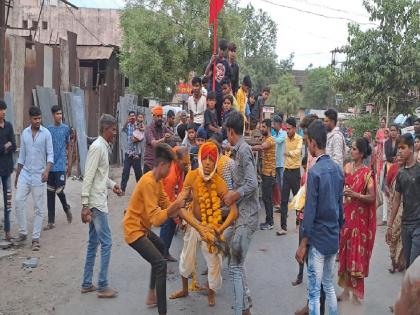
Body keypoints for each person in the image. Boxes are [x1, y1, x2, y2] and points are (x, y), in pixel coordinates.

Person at [170, 141, 238, 307]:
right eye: (205, 158)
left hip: (211, 227)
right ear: (200, 158)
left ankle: (211, 292)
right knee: (186, 256)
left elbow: (234, 211)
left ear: (216, 162)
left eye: (212, 159)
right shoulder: (192, 176)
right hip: (194, 225)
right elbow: (180, 206)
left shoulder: (219, 182)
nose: (208, 162)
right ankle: (185, 289)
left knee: (214, 261)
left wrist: (219, 229)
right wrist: (198, 226)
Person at [123, 144, 185, 315]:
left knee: (161, 249)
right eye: (170, 167)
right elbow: (156, 219)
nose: (170, 171)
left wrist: (182, 214)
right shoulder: (149, 182)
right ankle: (162, 311)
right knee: (160, 264)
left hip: (142, 227)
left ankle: (151, 295)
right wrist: (175, 208)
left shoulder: (157, 181)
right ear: (163, 166)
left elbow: (168, 205)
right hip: (134, 230)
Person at [295, 120, 343, 315]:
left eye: (308, 142)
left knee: (315, 291)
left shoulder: (315, 172)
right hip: (333, 235)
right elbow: (340, 206)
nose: (308, 146)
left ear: (313, 143)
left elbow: (310, 211)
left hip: (318, 237)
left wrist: (303, 241)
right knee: (329, 285)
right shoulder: (337, 170)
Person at [80, 114, 122, 298]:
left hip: (98, 199)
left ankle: (87, 283)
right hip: (96, 203)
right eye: (113, 130)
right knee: (107, 243)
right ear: (106, 129)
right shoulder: (97, 147)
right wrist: (84, 204)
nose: (115, 133)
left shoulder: (103, 147)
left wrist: (113, 185)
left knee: (93, 243)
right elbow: (88, 175)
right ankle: (103, 285)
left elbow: (100, 175)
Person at [222, 110, 258, 315]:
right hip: (241, 214)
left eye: (227, 132)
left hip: (248, 215)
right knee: (234, 259)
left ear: (230, 131)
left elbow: (252, 183)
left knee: (235, 266)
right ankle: (245, 306)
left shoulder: (243, 150)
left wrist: (235, 195)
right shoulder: (239, 149)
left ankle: (239, 309)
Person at [337, 138, 376, 304]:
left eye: (354, 149)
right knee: (345, 253)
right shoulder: (346, 168)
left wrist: (356, 195)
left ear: (361, 153)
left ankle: (355, 294)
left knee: (356, 255)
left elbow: (372, 197)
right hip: (346, 217)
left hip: (360, 221)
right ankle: (345, 291)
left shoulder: (368, 173)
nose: (351, 151)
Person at [14, 106, 53, 251]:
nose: (38, 121)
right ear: (30, 119)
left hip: (39, 175)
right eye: (35, 119)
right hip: (25, 173)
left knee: (38, 208)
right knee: (18, 201)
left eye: (39, 118)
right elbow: (22, 156)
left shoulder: (46, 134)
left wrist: (47, 171)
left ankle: (35, 238)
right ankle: (23, 232)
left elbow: (50, 155)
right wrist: (17, 175)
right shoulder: (25, 133)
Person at [386, 134, 420, 268]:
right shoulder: (400, 173)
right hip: (406, 224)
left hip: (418, 224)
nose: (399, 151)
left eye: (403, 147)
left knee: (413, 264)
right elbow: (396, 200)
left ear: (411, 148)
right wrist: (389, 225)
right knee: (408, 265)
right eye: (398, 148)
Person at [160, 146, 190, 262]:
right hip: (162, 201)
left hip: (170, 199)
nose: (187, 166)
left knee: (171, 228)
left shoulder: (181, 167)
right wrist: (178, 218)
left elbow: (181, 187)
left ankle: (165, 252)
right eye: (185, 163)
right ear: (177, 160)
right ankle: (160, 256)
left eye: (188, 163)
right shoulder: (171, 175)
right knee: (167, 224)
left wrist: (183, 203)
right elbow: (168, 200)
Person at [44, 105, 72, 231]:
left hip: (61, 165)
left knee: (60, 190)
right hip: (50, 166)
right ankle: (51, 221)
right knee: (50, 193)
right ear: (53, 115)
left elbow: (69, 146)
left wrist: (69, 163)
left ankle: (66, 208)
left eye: (60, 113)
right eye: (57, 114)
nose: (59, 116)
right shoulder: (48, 130)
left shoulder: (66, 129)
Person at [278, 117, 302, 235]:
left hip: (296, 172)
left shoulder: (299, 139)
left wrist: (288, 153)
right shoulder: (285, 138)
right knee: (284, 200)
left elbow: (298, 151)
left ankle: (298, 222)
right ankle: (283, 227)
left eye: (289, 129)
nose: (287, 131)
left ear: (294, 128)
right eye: (286, 129)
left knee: (297, 200)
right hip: (286, 172)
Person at [252, 119, 276, 230]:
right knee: (266, 198)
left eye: (264, 127)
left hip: (269, 173)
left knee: (267, 198)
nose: (262, 129)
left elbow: (262, 147)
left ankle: (270, 222)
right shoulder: (265, 138)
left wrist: (249, 148)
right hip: (265, 172)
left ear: (269, 128)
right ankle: (268, 221)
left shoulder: (271, 140)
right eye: (261, 127)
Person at [386, 153, 405, 273]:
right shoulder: (393, 169)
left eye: (401, 155)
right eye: (398, 155)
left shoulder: (411, 170)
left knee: (402, 236)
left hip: (405, 207)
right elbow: (387, 184)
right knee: (393, 235)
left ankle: (400, 262)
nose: (400, 157)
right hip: (393, 206)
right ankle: (393, 260)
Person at [0, 100, 16, 241]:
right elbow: (7, 146)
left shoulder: (9, 126)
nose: (3, 112)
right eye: (1, 109)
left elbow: (14, 144)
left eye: (4, 109)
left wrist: (6, 146)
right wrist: (6, 146)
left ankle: (7, 231)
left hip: (7, 169)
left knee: (8, 201)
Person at [205, 39, 231, 123]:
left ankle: (218, 129)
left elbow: (227, 81)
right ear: (218, 49)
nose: (222, 52)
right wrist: (211, 62)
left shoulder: (226, 64)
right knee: (209, 112)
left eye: (224, 50)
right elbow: (206, 74)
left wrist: (224, 91)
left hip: (219, 94)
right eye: (221, 50)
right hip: (211, 90)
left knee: (218, 114)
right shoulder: (214, 59)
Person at [144, 106, 173, 174]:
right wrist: (165, 139)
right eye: (158, 116)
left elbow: (173, 136)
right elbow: (154, 144)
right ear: (153, 116)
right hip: (149, 164)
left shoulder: (163, 127)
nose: (160, 118)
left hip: (159, 165)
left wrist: (170, 136)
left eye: (161, 116)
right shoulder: (148, 128)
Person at [120, 111, 143, 195]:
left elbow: (142, 136)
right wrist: (127, 121)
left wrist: (137, 139)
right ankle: (122, 189)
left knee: (138, 173)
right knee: (125, 171)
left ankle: (141, 190)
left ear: (136, 117)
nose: (132, 118)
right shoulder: (128, 125)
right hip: (128, 153)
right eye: (131, 116)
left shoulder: (139, 125)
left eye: (133, 116)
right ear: (129, 117)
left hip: (136, 153)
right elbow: (122, 129)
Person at [380, 124, 400, 226]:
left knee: (397, 193)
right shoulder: (386, 142)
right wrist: (394, 158)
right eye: (391, 130)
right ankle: (384, 218)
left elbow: (399, 156)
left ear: (397, 131)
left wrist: (396, 158)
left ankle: (395, 216)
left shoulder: (401, 141)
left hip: (398, 169)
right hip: (387, 168)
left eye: (394, 130)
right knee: (385, 192)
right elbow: (388, 156)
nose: (392, 132)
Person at [272, 115, 287, 213]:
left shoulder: (283, 134)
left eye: (274, 123)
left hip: (281, 164)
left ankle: (284, 208)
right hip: (276, 164)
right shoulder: (276, 134)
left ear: (279, 124)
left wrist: (269, 138)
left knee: (282, 186)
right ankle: (281, 206)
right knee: (278, 185)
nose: (273, 125)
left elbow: (277, 141)